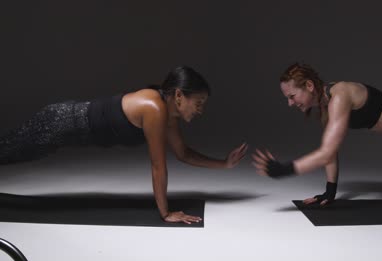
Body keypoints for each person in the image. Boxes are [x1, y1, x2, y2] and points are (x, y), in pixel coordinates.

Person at [0, 66, 248, 224]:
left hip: (63, 130)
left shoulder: (167, 113)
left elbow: (183, 154)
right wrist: (166, 213)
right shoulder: (154, 109)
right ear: (179, 96)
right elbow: (158, 167)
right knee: (9, 151)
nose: (201, 110)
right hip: (59, 122)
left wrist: (224, 164)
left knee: (9, 151)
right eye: (200, 102)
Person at [252, 62, 382, 206]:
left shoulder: (340, 95)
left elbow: (326, 153)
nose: (290, 103)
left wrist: (285, 169)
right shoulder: (326, 107)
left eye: (291, 96)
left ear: (308, 85)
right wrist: (330, 191)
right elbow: (331, 151)